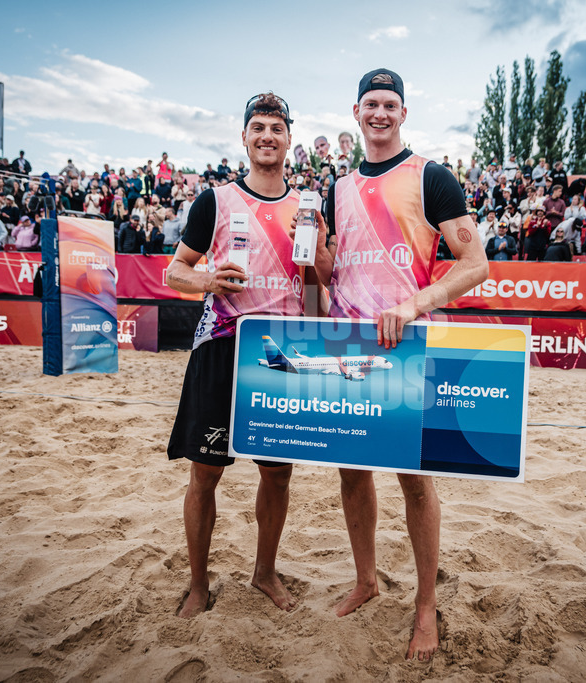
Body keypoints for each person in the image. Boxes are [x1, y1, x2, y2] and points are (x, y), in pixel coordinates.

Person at [309, 68, 487, 662]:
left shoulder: (430, 177)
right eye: (370, 104)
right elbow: (334, 275)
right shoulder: (337, 187)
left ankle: (425, 606)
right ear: (355, 113)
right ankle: (366, 580)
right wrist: (317, 261)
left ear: (403, 114)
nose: (380, 113)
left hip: (409, 347)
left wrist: (414, 303)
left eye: (390, 104)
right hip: (348, 347)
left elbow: (475, 265)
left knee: (415, 480)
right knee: (352, 473)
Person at [166, 92, 303, 620]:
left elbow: (315, 294)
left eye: (276, 127)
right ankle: (198, 584)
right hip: (221, 346)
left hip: (280, 353)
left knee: (278, 474)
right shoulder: (216, 201)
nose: (267, 135)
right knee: (205, 474)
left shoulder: (306, 208)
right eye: (257, 127)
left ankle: (264, 571)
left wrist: (317, 263)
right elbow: (174, 272)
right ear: (243, 138)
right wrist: (206, 279)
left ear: (289, 138)